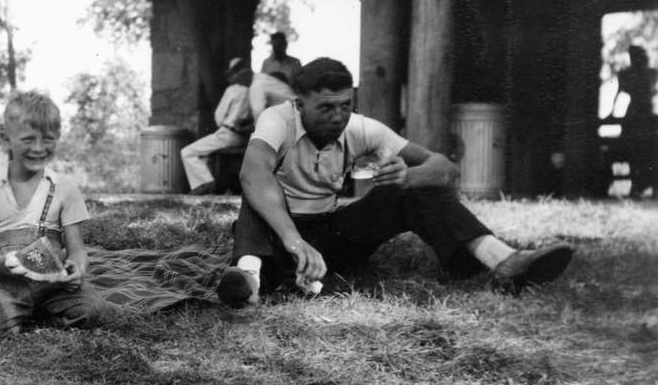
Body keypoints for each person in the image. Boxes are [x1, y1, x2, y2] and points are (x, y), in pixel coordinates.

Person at [217, 57, 574, 306]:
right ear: (299, 104)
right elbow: (253, 173)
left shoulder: (360, 127)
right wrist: (294, 242)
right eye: (325, 108)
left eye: (345, 105)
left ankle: (505, 261)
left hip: (332, 235)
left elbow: (444, 167)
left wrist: (409, 175)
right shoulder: (276, 119)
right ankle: (248, 280)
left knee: (413, 190)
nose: (338, 117)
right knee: (255, 197)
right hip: (282, 237)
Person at [0, 90, 113, 337]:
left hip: (56, 286)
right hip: (6, 286)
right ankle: (30, 317)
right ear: (7, 139)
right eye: (28, 140)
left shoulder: (65, 188)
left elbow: (77, 249)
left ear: (58, 137)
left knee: (98, 312)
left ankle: (29, 319)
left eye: (48, 139)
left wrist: (77, 269)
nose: (39, 149)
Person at [181, 58, 255, 195]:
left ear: (235, 75)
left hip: (228, 133)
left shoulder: (233, 90)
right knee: (205, 153)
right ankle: (209, 182)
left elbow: (219, 116)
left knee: (187, 152)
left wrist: (222, 123)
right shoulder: (252, 91)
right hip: (241, 136)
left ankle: (205, 183)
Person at [612, 45, 657, 198]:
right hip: (640, 115)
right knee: (639, 150)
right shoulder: (648, 74)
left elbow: (619, 93)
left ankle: (642, 184)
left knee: (644, 150)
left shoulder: (635, 74)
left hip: (641, 115)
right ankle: (640, 184)